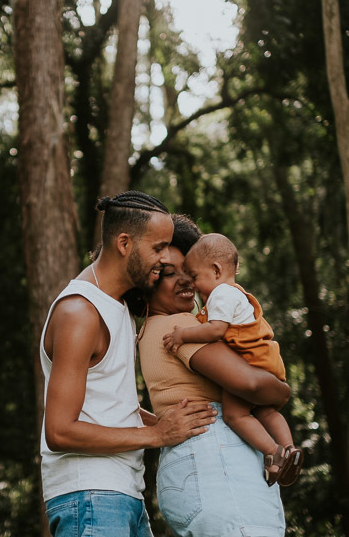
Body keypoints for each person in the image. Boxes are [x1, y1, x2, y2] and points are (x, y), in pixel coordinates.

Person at [40, 192, 219, 537]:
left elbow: (112, 407)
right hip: (89, 496)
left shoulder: (117, 306)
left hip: (124, 493)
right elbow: (59, 431)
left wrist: (168, 423)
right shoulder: (80, 312)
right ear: (124, 243)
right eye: (158, 248)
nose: (165, 258)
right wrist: (157, 434)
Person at [138, 215, 291, 537]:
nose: (187, 281)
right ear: (148, 285)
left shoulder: (150, 331)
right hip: (216, 462)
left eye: (188, 272)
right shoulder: (179, 327)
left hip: (192, 468)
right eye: (170, 274)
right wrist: (281, 391)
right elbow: (250, 383)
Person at [162, 233, 303, 487]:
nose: (192, 284)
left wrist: (183, 335)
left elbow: (215, 331)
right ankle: (290, 450)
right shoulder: (234, 294)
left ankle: (273, 452)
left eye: (194, 276)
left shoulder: (221, 294)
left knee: (235, 416)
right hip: (266, 361)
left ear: (216, 270)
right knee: (266, 411)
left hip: (250, 362)